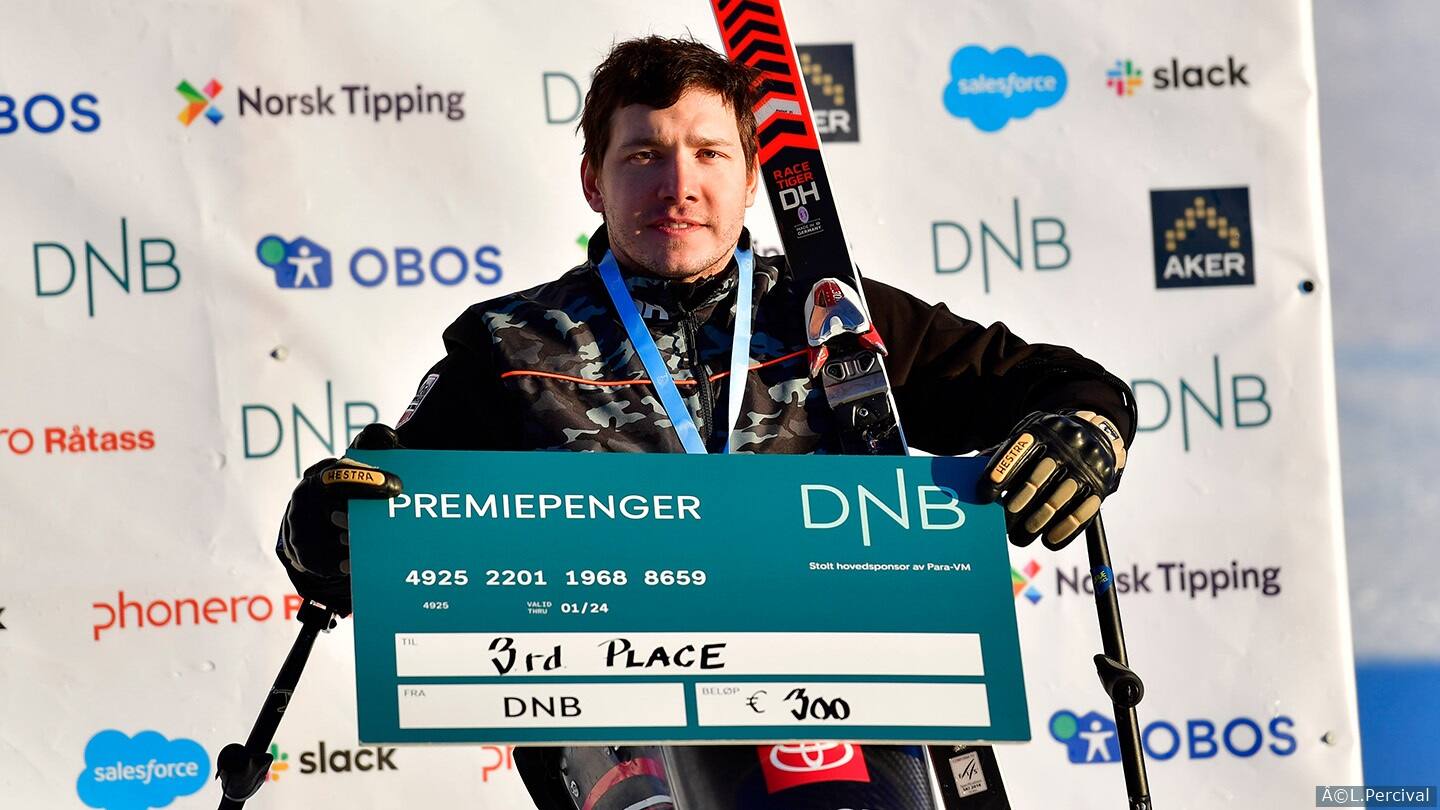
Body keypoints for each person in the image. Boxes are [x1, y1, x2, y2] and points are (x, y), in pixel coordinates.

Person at [276, 35, 1135, 810]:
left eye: (707, 153)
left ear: (750, 175)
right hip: (627, 728)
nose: (678, 185)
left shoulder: (834, 317)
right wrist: (331, 527)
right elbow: (353, 555)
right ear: (593, 180)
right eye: (644, 154)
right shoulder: (508, 347)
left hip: (859, 715)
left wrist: (1083, 433)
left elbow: (1067, 387)